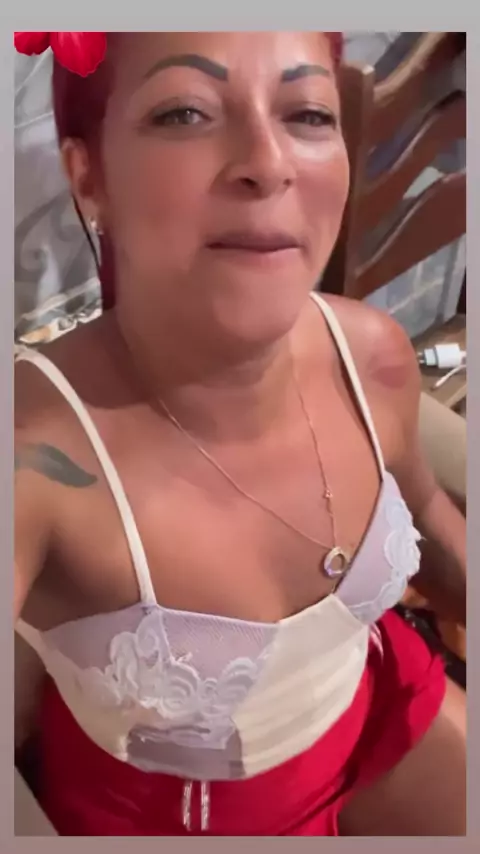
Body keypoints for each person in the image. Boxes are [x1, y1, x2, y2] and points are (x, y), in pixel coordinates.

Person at [14, 32, 466, 836]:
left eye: (308, 114)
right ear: (90, 178)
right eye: (184, 113)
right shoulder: (34, 455)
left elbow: (431, 518)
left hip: (380, 703)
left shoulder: (371, 355)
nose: (268, 161)